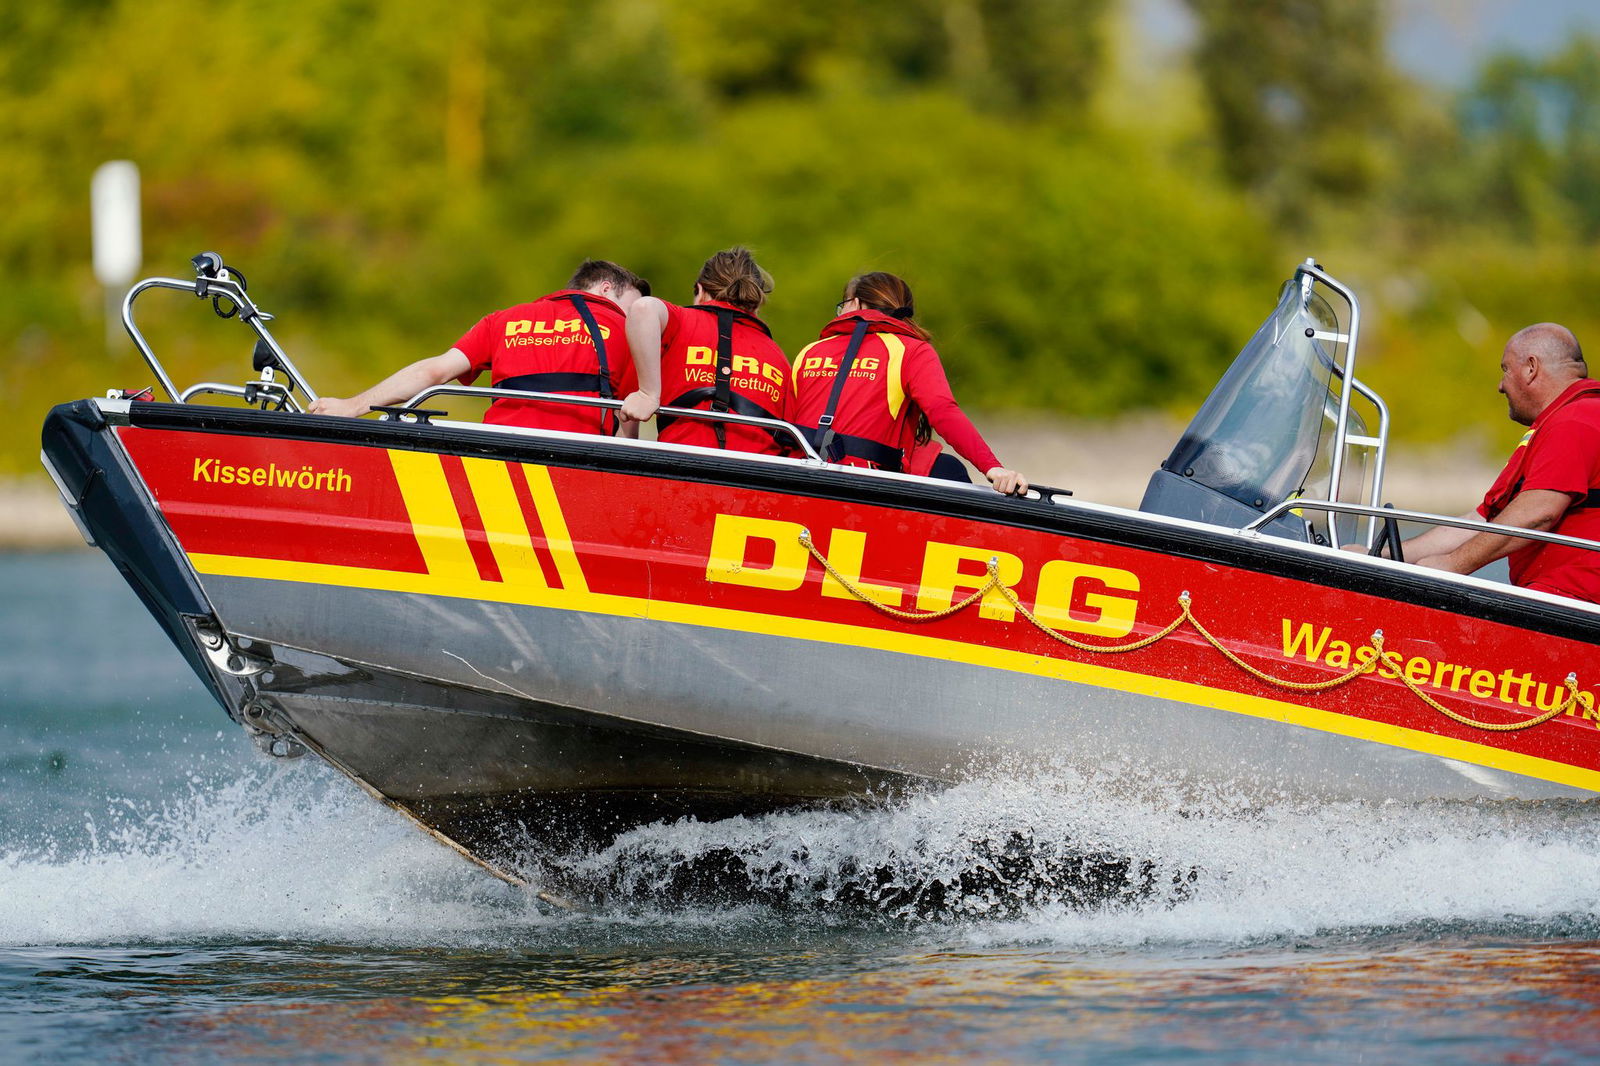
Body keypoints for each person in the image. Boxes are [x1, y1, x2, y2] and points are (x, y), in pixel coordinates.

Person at [1378, 323, 1600, 602]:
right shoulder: (1556, 425)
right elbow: (1484, 520)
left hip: (1573, 601)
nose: (1500, 385)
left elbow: (1537, 513)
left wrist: (1453, 566)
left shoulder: (1576, 420)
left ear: (1531, 368)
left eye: (1505, 369)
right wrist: (1382, 557)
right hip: (1552, 598)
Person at [308, 259, 649, 435]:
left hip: (495, 454)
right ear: (606, 288)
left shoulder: (503, 320)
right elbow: (629, 420)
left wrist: (351, 406)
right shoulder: (626, 330)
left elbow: (434, 371)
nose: (634, 315)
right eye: (632, 305)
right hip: (573, 462)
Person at [788, 271, 1027, 495]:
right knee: (949, 469)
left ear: (857, 304)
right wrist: (992, 467)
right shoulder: (912, 350)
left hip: (797, 478)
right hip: (869, 485)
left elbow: (786, 424)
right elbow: (942, 411)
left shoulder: (809, 352)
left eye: (843, 304)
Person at [619, 248, 791, 455]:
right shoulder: (778, 357)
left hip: (682, 464)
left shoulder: (680, 323)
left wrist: (648, 394)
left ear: (700, 291)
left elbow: (643, 308)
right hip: (754, 472)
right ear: (755, 305)